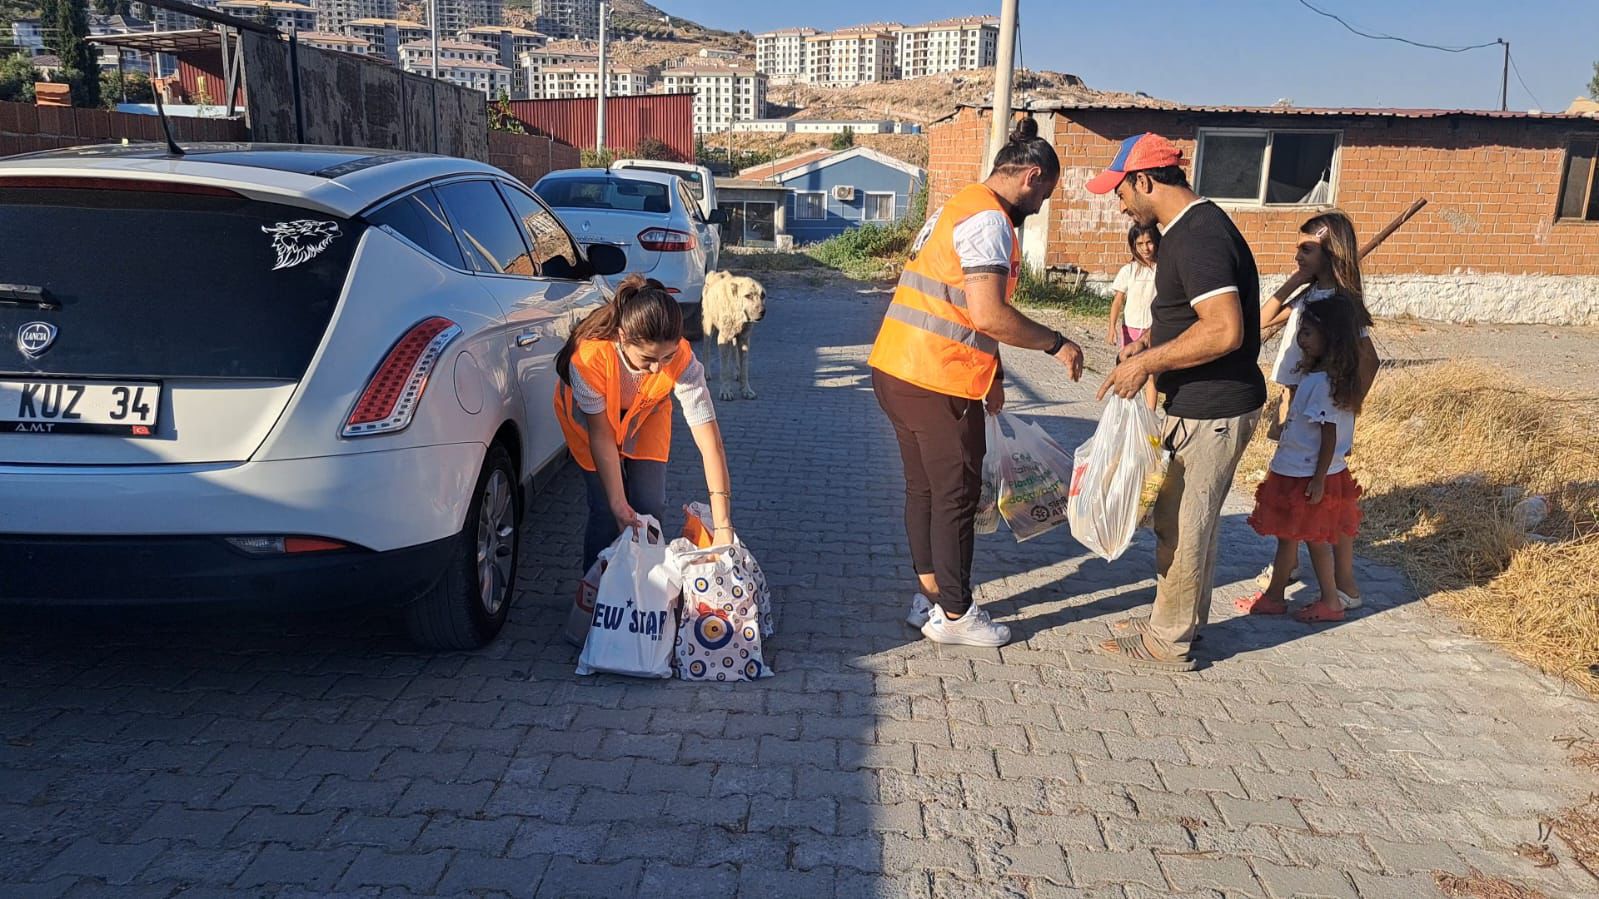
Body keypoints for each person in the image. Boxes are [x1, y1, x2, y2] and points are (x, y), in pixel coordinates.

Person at [870, 117, 1085, 648]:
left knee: (925, 489)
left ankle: (930, 598)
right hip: (936, 380)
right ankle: (957, 614)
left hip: (898, 367)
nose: (1039, 208)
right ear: (1031, 176)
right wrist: (1057, 343)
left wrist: (993, 374)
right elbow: (987, 314)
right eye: (1045, 195)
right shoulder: (989, 220)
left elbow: (958, 310)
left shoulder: (959, 203)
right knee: (954, 498)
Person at [1091, 132, 1267, 670]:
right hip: (1195, 402)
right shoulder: (1182, 231)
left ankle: (1169, 643)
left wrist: (1147, 363)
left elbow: (1223, 331)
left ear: (1145, 180)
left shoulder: (1199, 237)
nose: (1118, 201)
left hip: (1214, 409)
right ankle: (1171, 621)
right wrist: (1148, 342)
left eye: (1121, 189)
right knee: (1175, 521)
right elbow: (1189, 317)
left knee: (1187, 526)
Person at [554, 275, 734, 573]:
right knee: (605, 509)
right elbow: (602, 437)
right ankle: (596, 592)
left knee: (650, 505)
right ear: (623, 338)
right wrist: (617, 504)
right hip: (589, 426)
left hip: (644, 417)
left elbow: (710, 443)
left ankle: (645, 588)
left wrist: (723, 523)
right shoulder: (588, 359)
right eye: (648, 358)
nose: (657, 368)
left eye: (667, 356)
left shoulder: (684, 361)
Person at [1254, 212, 1380, 605]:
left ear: (1331, 253)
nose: (1297, 256)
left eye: (1307, 249)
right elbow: (1262, 319)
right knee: (1297, 492)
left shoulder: (1342, 304)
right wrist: (1298, 281)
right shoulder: (1309, 295)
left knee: (1327, 500)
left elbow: (1368, 360)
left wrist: (1347, 402)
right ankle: (1290, 564)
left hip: (1322, 413)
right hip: (1298, 402)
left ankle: (1344, 583)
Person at [1237, 297, 1365, 623]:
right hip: (1298, 469)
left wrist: (1319, 479)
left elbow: (1329, 436)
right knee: (1289, 536)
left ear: (1330, 338)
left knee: (1314, 538)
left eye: (1307, 332)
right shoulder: (1316, 377)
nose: (1301, 339)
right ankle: (1275, 595)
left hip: (1307, 474)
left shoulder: (1323, 384)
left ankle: (1331, 600)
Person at [1106, 223, 1161, 410]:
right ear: (1133, 246)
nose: (1146, 248)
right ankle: (1123, 409)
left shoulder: (1162, 270)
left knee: (1152, 373)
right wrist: (1111, 327)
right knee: (1127, 369)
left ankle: (1149, 414)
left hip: (1153, 330)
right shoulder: (1128, 271)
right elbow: (1117, 301)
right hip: (1130, 329)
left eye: (1149, 242)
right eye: (1140, 244)